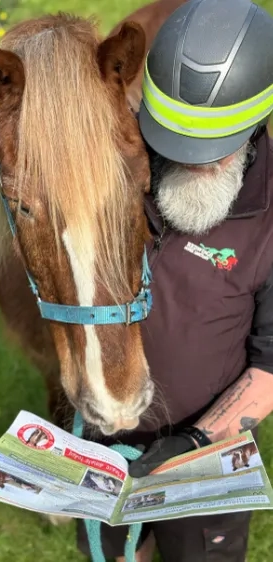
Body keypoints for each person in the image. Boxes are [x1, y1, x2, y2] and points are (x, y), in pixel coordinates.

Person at [74, 1, 273, 560]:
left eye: (212, 150)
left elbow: (271, 363)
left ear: (257, 120)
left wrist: (196, 440)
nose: (189, 162)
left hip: (205, 453)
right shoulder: (126, 156)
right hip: (108, 437)